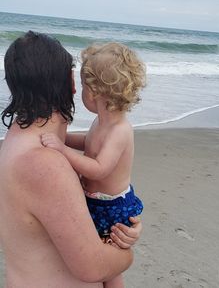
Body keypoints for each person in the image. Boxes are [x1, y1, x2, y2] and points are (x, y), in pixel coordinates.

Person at [0, 31, 142, 288]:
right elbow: (93, 266)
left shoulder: (14, 143)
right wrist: (125, 253)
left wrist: (120, 229)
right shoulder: (44, 164)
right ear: (71, 82)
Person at [41, 42, 146, 288]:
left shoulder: (120, 130)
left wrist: (61, 149)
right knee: (94, 254)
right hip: (96, 200)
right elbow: (87, 143)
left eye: (83, 86)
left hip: (111, 206)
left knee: (109, 265)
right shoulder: (102, 122)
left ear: (95, 91)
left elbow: (99, 167)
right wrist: (62, 137)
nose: (79, 92)